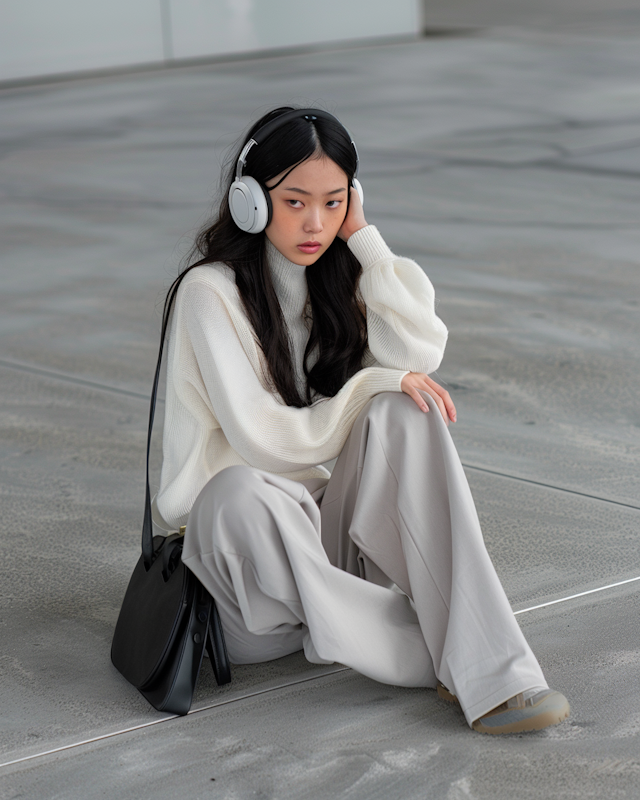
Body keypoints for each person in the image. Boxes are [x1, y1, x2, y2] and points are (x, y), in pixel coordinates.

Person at [152, 106, 570, 735]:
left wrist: (365, 240)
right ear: (250, 202)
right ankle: (456, 652)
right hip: (244, 583)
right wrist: (374, 382)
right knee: (234, 492)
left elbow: (419, 353)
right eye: (294, 202)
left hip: (322, 550)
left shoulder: (336, 280)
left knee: (406, 405)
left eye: (332, 201)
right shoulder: (208, 293)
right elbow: (261, 438)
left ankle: (482, 666)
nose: (315, 223)